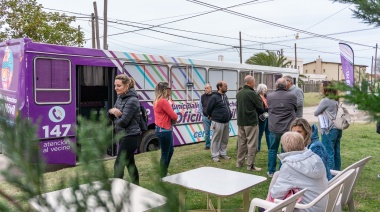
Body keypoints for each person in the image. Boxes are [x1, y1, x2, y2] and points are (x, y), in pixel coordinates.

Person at [269, 132, 328, 212]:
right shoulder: (315, 157)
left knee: (264, 207)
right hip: (323, 205)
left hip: (307, 208)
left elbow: (276, 194)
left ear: (285, 147)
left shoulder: (289, 166)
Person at [108, 74, 141, 185]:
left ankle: (117, 189)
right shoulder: (120, 98)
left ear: (127, 86)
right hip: (123, 135)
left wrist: (114, 115)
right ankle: (137, 186)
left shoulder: (132, 100)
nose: (116, 88)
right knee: (130, 164)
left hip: (131, 136)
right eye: (115, 85)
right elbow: (111, 115)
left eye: (119, 85)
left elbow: (123, 122)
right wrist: (111, 111)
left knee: (119, 163)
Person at [266, 78, 297, 177]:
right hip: (287, 127)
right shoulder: (292, 96)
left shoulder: (270, 96)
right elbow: (295, 108)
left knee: (272, 149)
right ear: (286, 85)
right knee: (286, 150)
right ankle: (282, 170)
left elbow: (269, 108)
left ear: (276, 85)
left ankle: (271, 171)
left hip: (274, 127)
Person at [236, 75, 263, 171]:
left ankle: (239, 163)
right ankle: (250, 165)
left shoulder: (239, 93)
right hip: (251, 121)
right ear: (251, 82)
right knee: (251, 144)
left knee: (241, 143)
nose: (254, 83)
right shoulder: (252, 93)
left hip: (241, 121)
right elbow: (260, 107)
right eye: (254, 81)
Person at [314, 81, 343, 171]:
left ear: (325, 89)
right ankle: (337, 171)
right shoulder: (336, 99)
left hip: (328, 129)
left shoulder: (325, 100)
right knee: (336, 151)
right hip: (337, 128)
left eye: (321, 87)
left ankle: (330, 173)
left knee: (328, 152)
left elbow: (316, 113)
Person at [154, 82, 178, 177]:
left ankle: (164, 171)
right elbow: (173, 115)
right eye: (169, 89)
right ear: (164, 90)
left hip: (161, 129)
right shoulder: (163, 101)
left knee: (170, 150)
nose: (170, 91)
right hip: (164, 130)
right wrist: (175, 120)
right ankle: (162, 174)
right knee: (165, 152)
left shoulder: (157, 100)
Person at [206, 81, 232, 162]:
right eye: (225, 86)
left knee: (225, 139)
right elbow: (209, 108)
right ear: (220, 87)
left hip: (226, 121)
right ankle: (215, 155)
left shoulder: (224, 96)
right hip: (217, 121)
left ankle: (223, 153)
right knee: (216, 139)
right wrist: (210, 116)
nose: (226, 87)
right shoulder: (214, 97)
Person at [198, 83, 212, 150]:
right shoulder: (202, 96)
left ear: (210, 89)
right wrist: (202, 114)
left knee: (216, 132)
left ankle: (215, 145)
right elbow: (200, 107)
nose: (206, 89)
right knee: (207, 132)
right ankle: (207, 145)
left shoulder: (214, 96)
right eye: (205, 88)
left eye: (207, 88)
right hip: (205, 117)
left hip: (214, 117)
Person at [256, 83, 270, 152]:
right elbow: (259, 109)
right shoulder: (258, 97)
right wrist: (268, 109)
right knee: (260, 133)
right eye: (264, 89)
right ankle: (258, 147)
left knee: (268, 132)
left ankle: (270, 147)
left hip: (267, 116)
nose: (265, 90)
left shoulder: (266, 97)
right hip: (261, 117)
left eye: (265, 89)